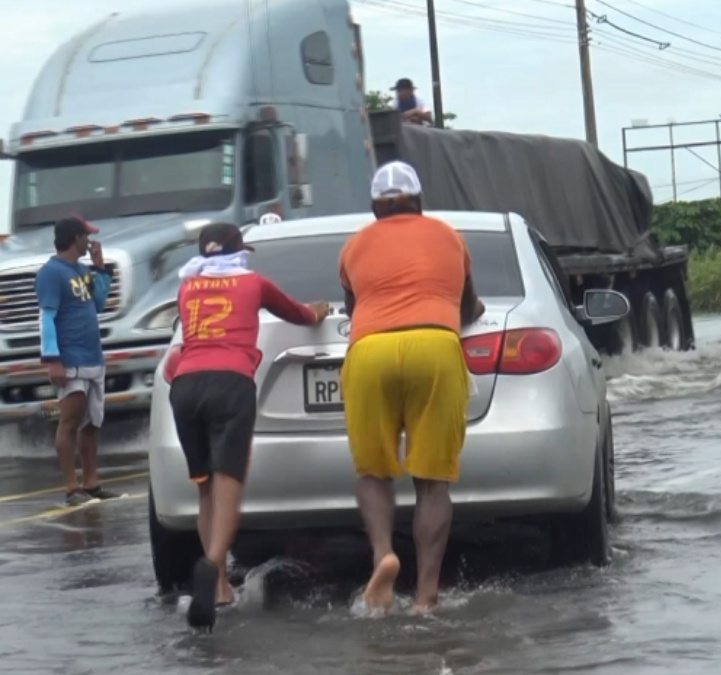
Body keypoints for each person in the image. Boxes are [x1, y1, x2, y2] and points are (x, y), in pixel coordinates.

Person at [163, 222, 330, 631]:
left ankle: (218, 587)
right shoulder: (254, 283)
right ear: (240, 251)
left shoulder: (186, 288)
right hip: (230, 384)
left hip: (185, 387)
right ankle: (213, 565)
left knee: (204, 487)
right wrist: (320, 310)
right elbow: (301, 314)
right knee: (228, 486)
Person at [338, 160, 485, 614]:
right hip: (434, 347)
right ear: (419, 201)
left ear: (374, 206)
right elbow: (470, 305)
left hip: (370, 353)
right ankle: (426, 597)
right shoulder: (448, 236)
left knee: (373, 472)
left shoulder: (354, 245)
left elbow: (353, 305)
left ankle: (384, 556)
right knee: (432, 481)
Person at [35, 216, 120, 507]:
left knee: (93, 422)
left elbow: (98, 303)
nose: (90, 241)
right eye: (87, 236)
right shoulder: (51, 272)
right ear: (75, 238)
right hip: (70, 358)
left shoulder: (81, 270)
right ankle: (72, 488)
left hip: (93, 356)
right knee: (69, 421)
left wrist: (99, 268)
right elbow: (46, 317)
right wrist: (52, 359)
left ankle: (92, 483)